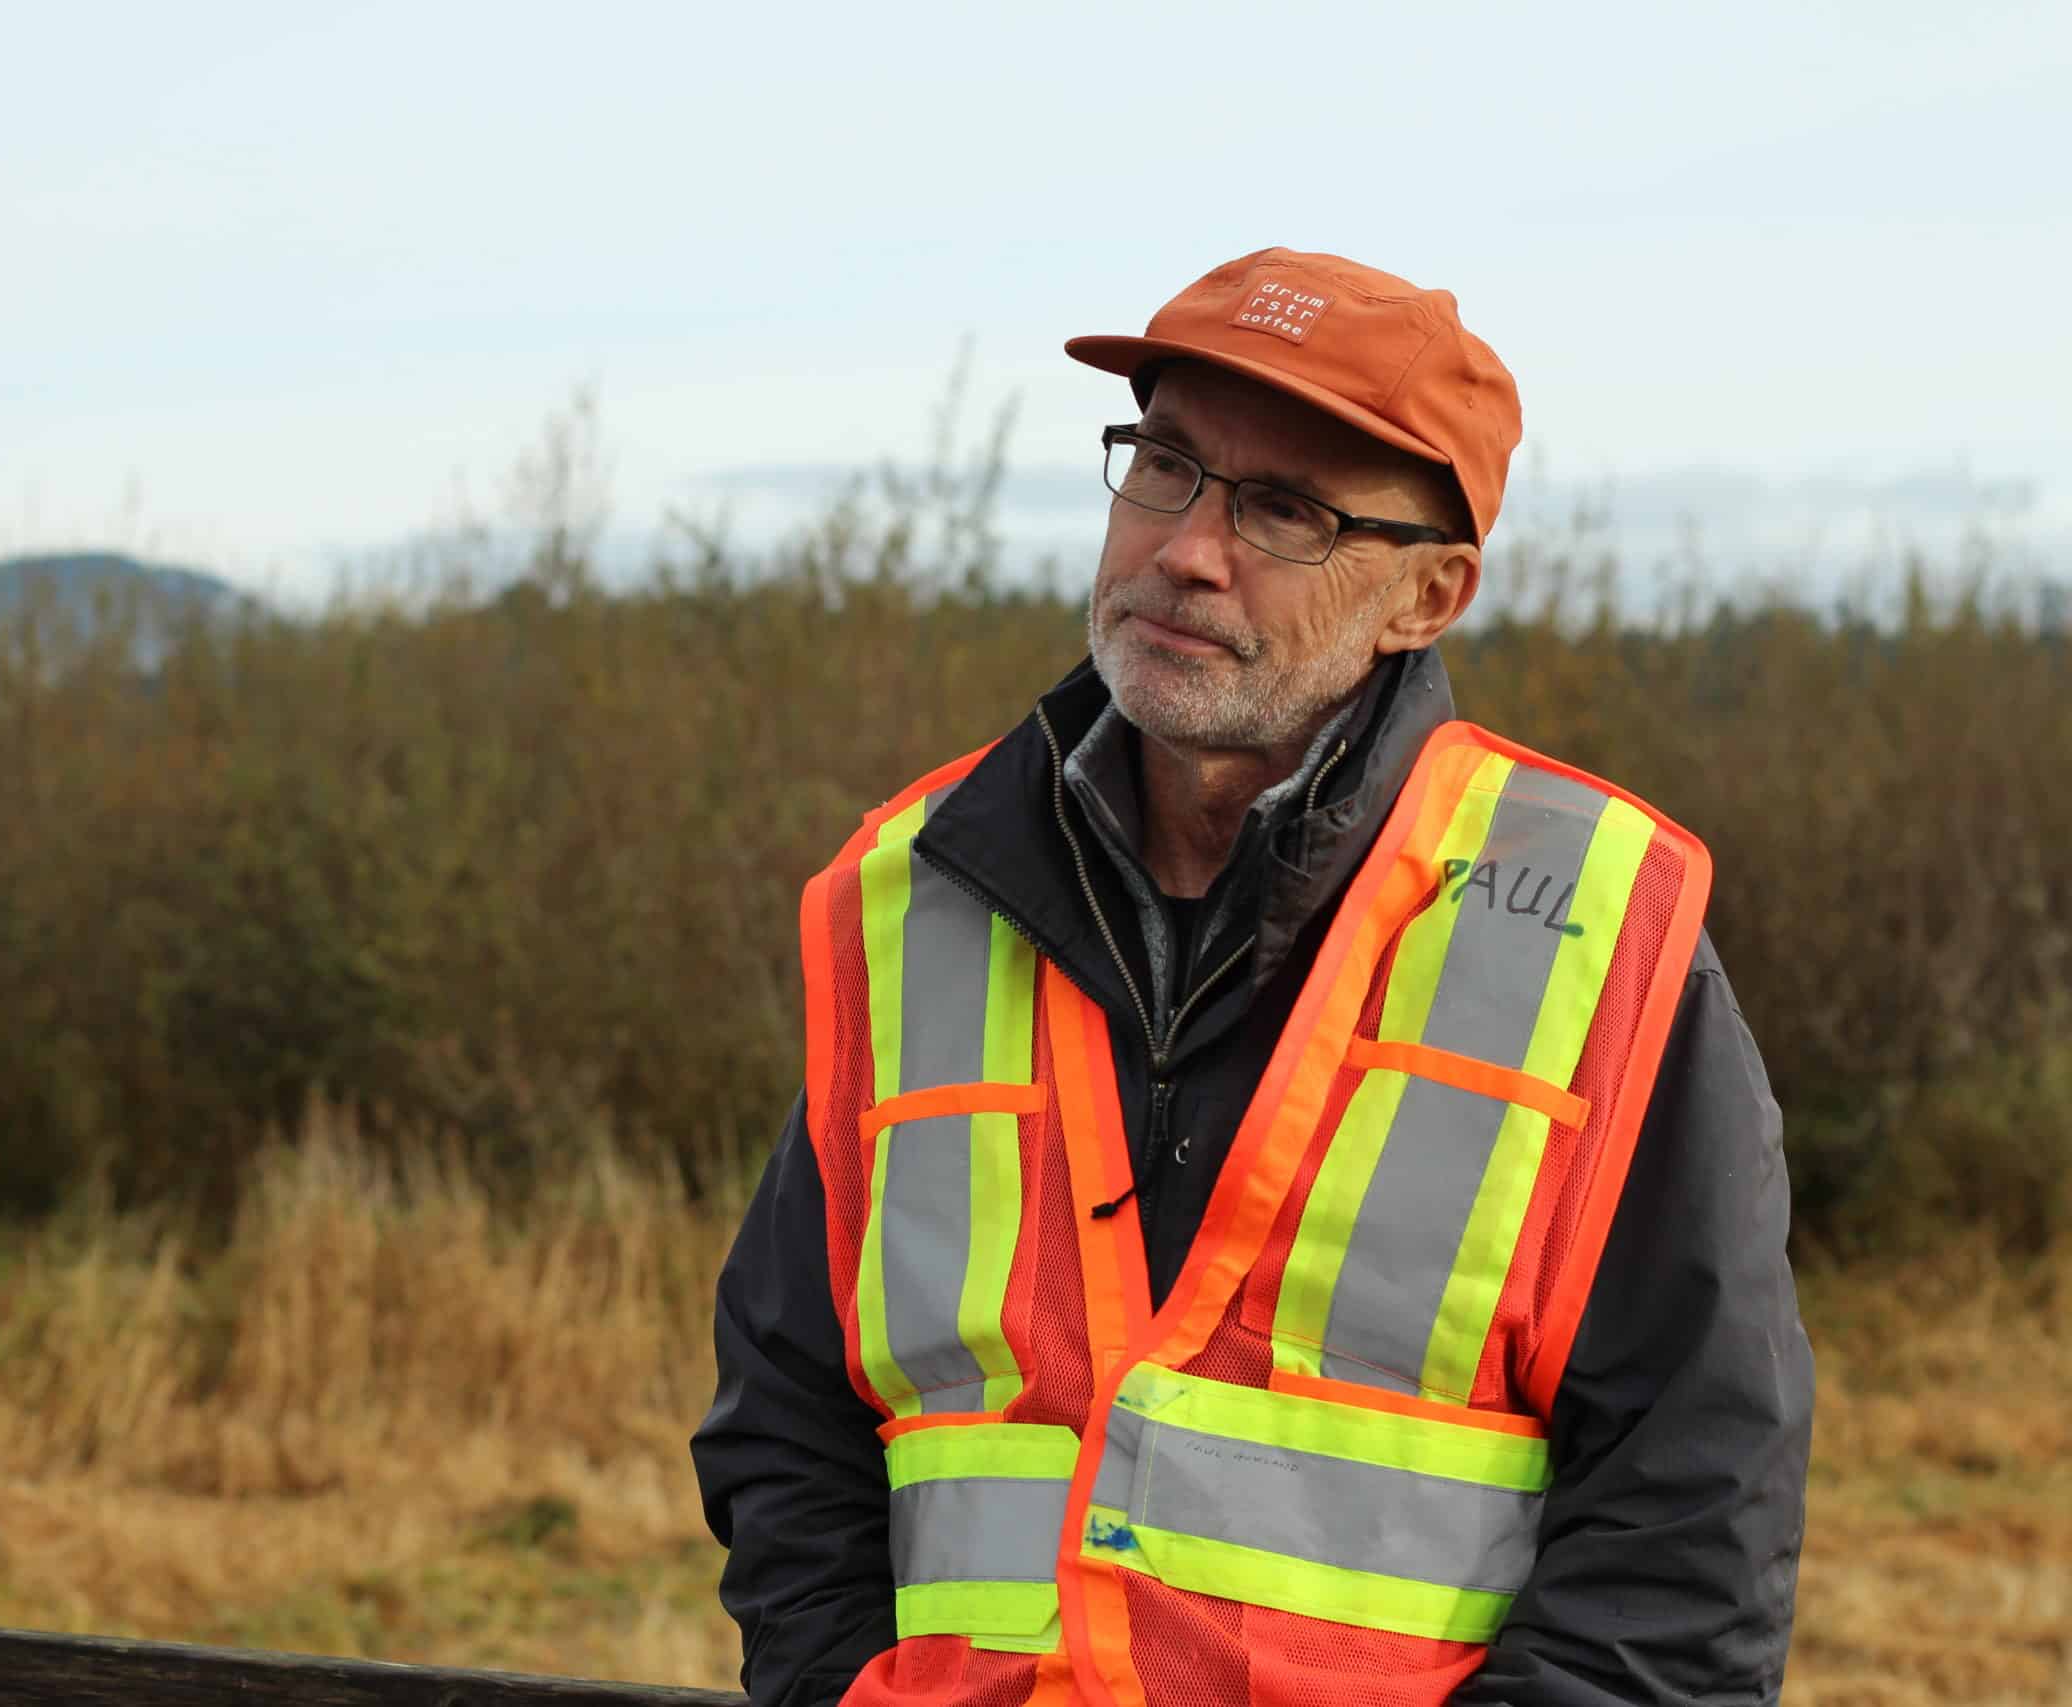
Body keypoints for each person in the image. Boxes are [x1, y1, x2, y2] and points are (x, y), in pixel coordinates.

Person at [691, 247, 1812, 1707]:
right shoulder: (912, 894)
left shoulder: (1595, 926)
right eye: (1165, 465)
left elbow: (1693, 1511)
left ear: (1429, 596)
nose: (1187, 548)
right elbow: (789, 1420)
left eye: (1283, 510)